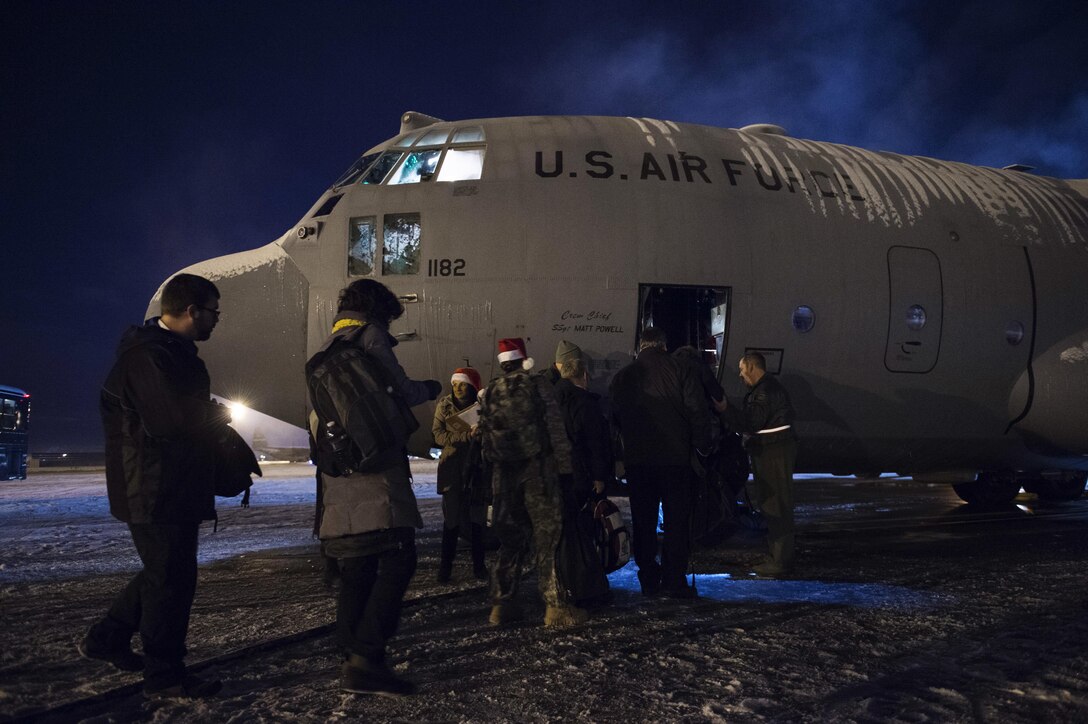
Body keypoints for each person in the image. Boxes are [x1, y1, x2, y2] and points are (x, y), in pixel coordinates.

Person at [81, 273, 230, 699]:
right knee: (171, 581)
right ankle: (164, 676)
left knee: (165, 574)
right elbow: (170, 421)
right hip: (151, 485)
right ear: (190, 311)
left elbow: (181, 413)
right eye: (213, 311)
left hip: (170, 483)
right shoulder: (148, 356)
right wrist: (216, 417)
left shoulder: (170, 352)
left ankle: (107, 638)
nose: (216, 320)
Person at [310, 279, 442, 696]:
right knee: (399, 561)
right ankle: (367, 658)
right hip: (378, 470)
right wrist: (432, 388)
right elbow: (401, 390)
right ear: (378, 312)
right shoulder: (370, 339)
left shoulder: (325, 353)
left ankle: (350, 651)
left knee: (358, 568)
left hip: (340, 476)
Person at [478, 337, 588, 627]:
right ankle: (555, 608)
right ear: (524, 360)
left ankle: (501, 606)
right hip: (539, 474)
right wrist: (565, 471)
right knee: (546, 541)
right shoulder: (538, 386)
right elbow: (555, 429)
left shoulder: (489, 391)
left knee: (511, 542)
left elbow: (485, 439)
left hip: (503, 478)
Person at [609, 327, 711, 598]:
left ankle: (648, 577)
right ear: (664, 346)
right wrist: (701, 447)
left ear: (641, 347)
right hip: (676, 460)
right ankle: (674, 579)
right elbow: (697, 412)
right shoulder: (681, 369)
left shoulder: (624, 376)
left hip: (639, 462)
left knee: (644, 520)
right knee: (677, 521)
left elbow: (615, 417)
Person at [718, 352, 798, 577]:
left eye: (743, 371)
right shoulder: (767, 389)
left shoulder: (764, 392)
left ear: (752, 368)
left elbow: (751, 421)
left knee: (776, 505)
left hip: (773, 452)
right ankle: (777, 557)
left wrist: (726, 409)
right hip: (772, 449)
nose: (741, 376)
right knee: (774, 504)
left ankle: (781, 562)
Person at [432, 366, 487, 582]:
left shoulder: (483, 407)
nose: (458, 389)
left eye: (462, 384)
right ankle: (445, 569)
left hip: (477, 469)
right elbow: (438, 435)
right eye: (455, 384)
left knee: (477, 521)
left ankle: (479, 567)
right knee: (451, 521)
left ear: (473, 386)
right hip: (452, 468)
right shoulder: (444, 405)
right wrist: (465, 436)